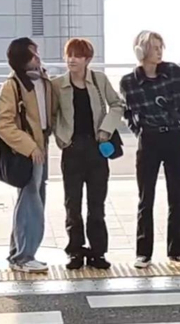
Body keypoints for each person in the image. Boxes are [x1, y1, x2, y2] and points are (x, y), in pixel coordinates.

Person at [120, 31, 180, 269]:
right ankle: (143, 252)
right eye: (154, 47)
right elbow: (128, 113)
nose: (159, 52)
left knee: (176, 198)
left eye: (160, 47)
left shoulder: (174, 73)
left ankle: (176, 252)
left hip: (174, 137)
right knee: (145, 198)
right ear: (141, 50)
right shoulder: (129, 82)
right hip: (148, 140)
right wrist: (140, 132)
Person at [51, 38, 124, 270]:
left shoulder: (98, 80)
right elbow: (52, 115)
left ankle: (98, 252)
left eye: (78, 55)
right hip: (71, 151)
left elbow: (117, 104)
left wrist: (106, 129)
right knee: (72, 204)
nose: (72, 59)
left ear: (87, 59)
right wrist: (61, 137)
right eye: (69, 55)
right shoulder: (58, 84)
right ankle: (75, 251)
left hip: (96, 150)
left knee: (97, 205)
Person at [0, 38, 52, 273]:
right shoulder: (13, 85)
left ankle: (18, 253)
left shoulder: (44, 80)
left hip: (42, 147)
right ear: (21, 60)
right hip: (28, 151)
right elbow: (4, 123)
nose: (37, 57)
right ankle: (23, 256)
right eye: (32, 54)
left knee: (33, 198)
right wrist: (29, 146)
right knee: (31, 201)